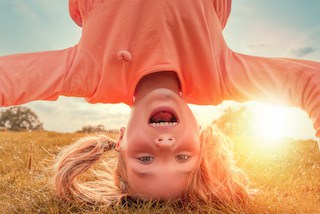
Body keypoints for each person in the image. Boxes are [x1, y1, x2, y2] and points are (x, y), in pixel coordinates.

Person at [0, 0, 319, 206]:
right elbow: (309, 81)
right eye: (182, 156)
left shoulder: (90, 73)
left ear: (121, 140)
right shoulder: (220, 74)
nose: (164, 144)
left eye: (145, 160)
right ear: (199, 140)